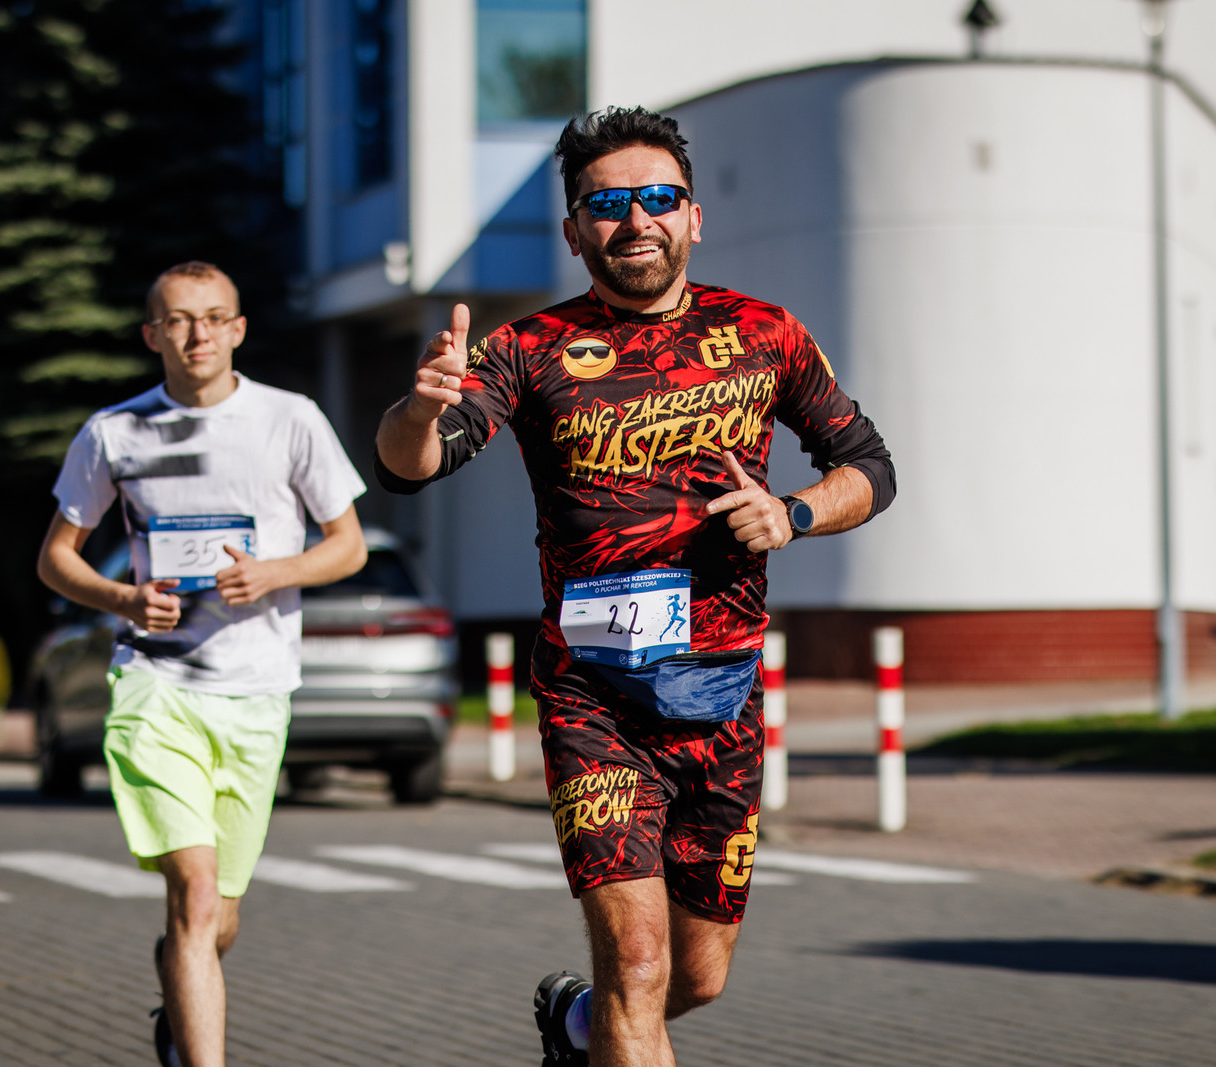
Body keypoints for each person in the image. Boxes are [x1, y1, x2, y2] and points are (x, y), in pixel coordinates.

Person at [375, 106, 896, 1067]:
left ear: (694, 215)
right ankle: (606, 1014)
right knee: (641, 962)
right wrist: (419, 406)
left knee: (696, 976)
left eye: (658, 197)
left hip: (723, 693)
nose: (636, 219)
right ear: (574, 232)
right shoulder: (527, 348)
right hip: (594, 701)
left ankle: (575, 1027)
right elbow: (414, 464)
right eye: (607, 204)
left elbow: (868, 464)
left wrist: (794, 512)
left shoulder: (765, 332)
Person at [36, 260, 366, 1067]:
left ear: (238, 328)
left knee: (218, 918)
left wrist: (275, 572)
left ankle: (179, 988)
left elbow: (348, 545)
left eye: (215, 317)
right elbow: (55, 558)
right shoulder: (113, 432)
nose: (199, 335)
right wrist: (123, 599)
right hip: (155, 685)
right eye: (180, 320)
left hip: (257, 690)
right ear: (152, 334)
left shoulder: (291, 419)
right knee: (193, 893)